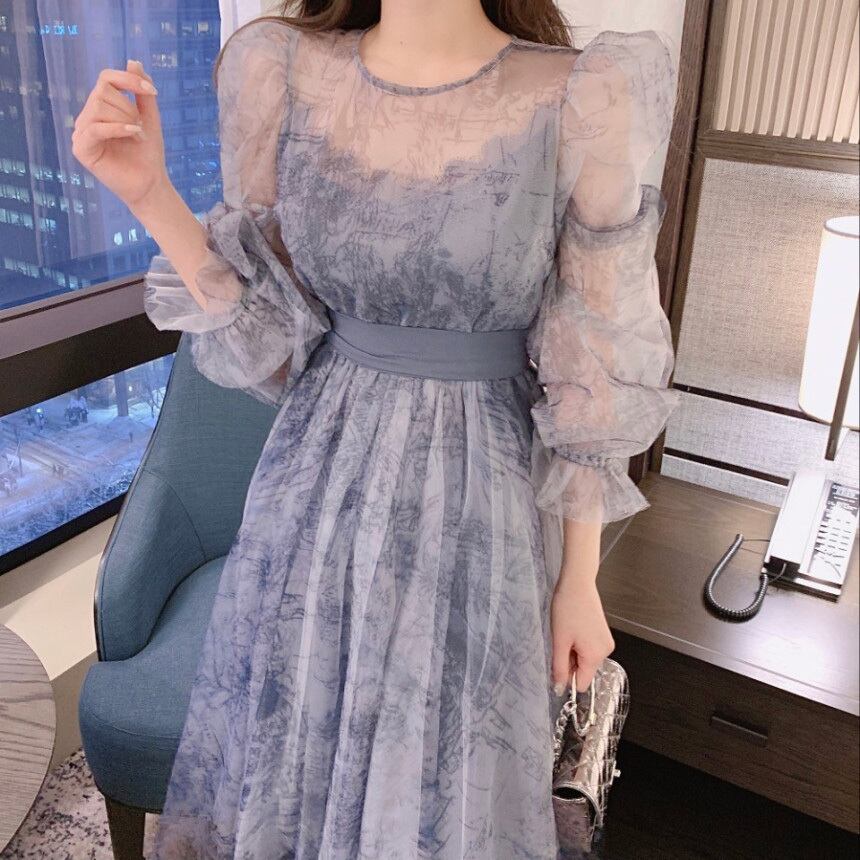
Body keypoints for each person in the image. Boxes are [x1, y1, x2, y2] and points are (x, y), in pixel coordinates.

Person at [72, 1, 680, 856]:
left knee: (438, 787)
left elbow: (593, 360)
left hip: (479, 509)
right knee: (297, 766)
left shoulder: (585, 94)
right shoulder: (284, 72)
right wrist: (149, 193)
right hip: (315, 501)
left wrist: (581, 579)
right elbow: (270, 334)